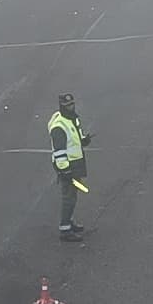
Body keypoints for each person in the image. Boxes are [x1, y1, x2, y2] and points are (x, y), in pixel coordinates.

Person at [49, 94, 92, 239]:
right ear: (61, 106)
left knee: (73, 195)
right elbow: (59, 151)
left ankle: (69, 221)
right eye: (68, 105)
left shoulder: (72, 118)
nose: (71, 107)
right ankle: (65, 229)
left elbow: (76, 135)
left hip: (76, 163)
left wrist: (83, 140)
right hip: (68, 166)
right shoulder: (59, 127)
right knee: (69, 197)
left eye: (72, 104)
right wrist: (64, 170)